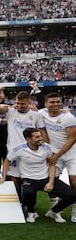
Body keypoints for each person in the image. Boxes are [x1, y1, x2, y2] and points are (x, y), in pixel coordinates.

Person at [0, 128, 76, 223]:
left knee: (72, 195)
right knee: (28, 193)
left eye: (40, 136)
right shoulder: (19, 149)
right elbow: (7, 161)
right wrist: (4, 177)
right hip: (29, 179)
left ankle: (54, 212)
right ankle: (31, 212)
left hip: (45, 178)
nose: (40, 138)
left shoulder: (47, 147)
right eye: (37, 137)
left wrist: (51, 182)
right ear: (28, 139)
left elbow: (52, 164)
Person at [0, 87, 46, 199]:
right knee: (14, 180)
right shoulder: (11, 111)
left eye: (23, 104)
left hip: (29, 153)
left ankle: (30, 207)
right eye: (18, 103)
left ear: (29, 102)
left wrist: (44, 148)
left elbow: (42, 132)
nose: (20, 106)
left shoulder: (36, 115)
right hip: (13, 152)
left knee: (29, 181)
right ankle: (18, 203)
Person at [39, 92, 76, 222]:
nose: (56, 104)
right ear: (45, 104)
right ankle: (55, 211)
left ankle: (74, 212)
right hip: (54, 153)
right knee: (52, 181)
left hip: (71, 153)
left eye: (58, 102)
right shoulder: (41, 113)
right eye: (52, 102)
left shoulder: (69, 118)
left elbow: (72, 139)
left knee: (74, 182)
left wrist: (57, 156)